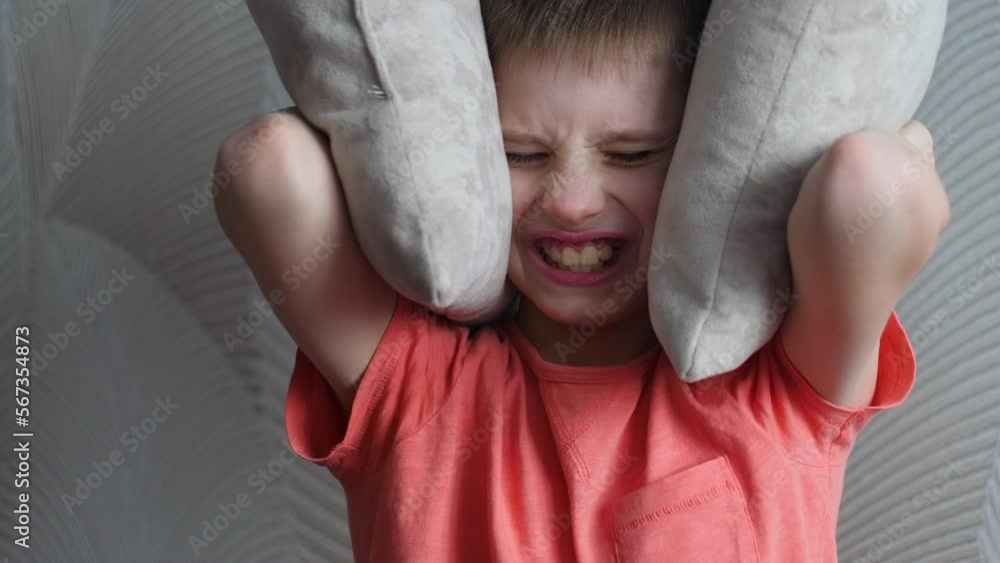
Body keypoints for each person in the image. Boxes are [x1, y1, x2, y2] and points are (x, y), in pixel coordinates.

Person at [212, 1, 950, 561]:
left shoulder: (776, 396)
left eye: (631, 155)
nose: (570, 198)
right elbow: (267, 172)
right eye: (520, 152)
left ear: (703, 157)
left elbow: (867, 189)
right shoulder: (419, 392)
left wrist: (903, 145)